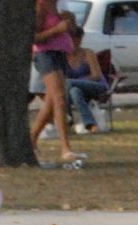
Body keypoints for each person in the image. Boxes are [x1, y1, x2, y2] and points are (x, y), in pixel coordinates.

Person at [29, 0, 83, 165]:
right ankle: (65, 148)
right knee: (60, 98)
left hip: (61, 53)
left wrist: (70, 22)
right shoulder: (40, 7)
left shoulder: (59, 7)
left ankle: (31, 139)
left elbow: (72, 32)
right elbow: (35, 38)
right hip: (46, 55)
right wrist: (56, 29)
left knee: (52, 101)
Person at [64, 26, 110, 134]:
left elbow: (97, 75)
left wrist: (78, 80)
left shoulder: (88, 53)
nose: (75, 41)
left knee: (67, 83)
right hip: (74, 89)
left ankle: (67, 118)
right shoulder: (63, 56)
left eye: (77, 38)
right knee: (75, 92)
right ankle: (90, 125)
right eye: (71, 38)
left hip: (96, 85)